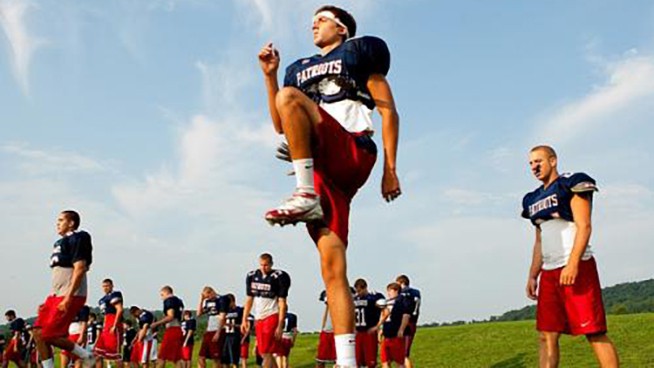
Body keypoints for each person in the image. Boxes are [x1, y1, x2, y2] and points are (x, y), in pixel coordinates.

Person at [258, 5, 401, 366]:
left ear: (342, 28)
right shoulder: (298, 70)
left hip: (353, 148)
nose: (313, 26)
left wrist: (391, 169)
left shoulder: (356, 54)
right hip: (324, 170)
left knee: (291, 97)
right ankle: (347, 361)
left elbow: (389, 111)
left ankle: (304, 193)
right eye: (312, 22)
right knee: (333, 270)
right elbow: (280, 123)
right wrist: (270, 76)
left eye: (320, 20)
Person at [522, 145, 619, 367]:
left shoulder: (570, 184)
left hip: (577, 266)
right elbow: (539, 241)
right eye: (530, 163)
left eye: (538, 161)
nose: (534, 166)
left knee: (593, 332)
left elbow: (584, 226)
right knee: (546, 335)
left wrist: (573, 264)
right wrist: (532, 275)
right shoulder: (532, 199)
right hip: (549, 272)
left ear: (553, 161)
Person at [31, 210, 94, 368]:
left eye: (61, 220)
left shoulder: (78, 237)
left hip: (70, 293)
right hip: (55, 294)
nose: (57, 223)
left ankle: (87, 356)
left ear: (71, 223)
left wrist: (68, 297)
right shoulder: (60, 242)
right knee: (38, 332)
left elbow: (79, 268)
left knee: (49, 335)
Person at [241, 253, 291, 368]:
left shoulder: (278, 277)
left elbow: (282, 302)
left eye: (266, 265)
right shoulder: (252, 276)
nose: (263, 268)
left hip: (271, 315)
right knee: (263, 352)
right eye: (261, 265)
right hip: (259, 317)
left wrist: (280, 323)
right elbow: (249, 299)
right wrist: (244, 319)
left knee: (268, 351)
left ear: (271, 264)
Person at [149, 286, 184, 368]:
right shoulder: (179, 301)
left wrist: (157, 323)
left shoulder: (169, 300)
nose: (162, 298)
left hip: (172, 329)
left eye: (162, 295)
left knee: (162, 357)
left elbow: (170, 316)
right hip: (178, 328)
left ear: (166, 292)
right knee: (177, 358)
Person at [353, 279, 384, 368]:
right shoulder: (354, 299)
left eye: (359, 290)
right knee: (357, 360)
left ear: (365, 288)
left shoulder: (374, 298)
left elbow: (385, 311)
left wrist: (377, 326)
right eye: (356, 291)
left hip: (369, 332)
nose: (358, 293)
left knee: (371, 362)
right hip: (358, 332)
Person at [377, 283, 410, 368]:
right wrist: (381, 330)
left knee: (399, 362)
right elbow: (384, 316)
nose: (388, 293)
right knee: (385, 361)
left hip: (396, 335)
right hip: (387, 334)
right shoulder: (386, 302)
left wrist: (401, 329)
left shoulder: (402, 300)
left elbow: (406, 315)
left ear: (396, 291)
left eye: (389, 291)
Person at [94, 278, 124, 367]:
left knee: (114, 354)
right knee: (98, 353)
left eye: (107, 286)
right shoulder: (102, 299)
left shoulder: (114, 294)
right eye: (103, 286)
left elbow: (119, 309)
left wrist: (115, 325)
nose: (105, 288)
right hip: (106, 324)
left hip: (113, 323)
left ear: (112, 285)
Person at [196, 286, 228, 368]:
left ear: (212, 292)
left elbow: (222, 317)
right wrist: (202, 300)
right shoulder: (207, 302)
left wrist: (218, 332)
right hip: (209, 330)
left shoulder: (221, 299)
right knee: (201, 356)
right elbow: (199, 314)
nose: (207, 298)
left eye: (208, 296)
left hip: (217, 329)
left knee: (216, 358)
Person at [395, 275, 420, 368]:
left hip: (406, 323)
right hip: (413, 322)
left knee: (404, 355)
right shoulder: (416, 292)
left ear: (401, 283)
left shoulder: (404, 293)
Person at [221, 294, 244, 368]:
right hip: (225, 336)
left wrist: (233, 325)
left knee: (234, 359)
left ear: (233, 301)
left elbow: (243, 325)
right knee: (225, 359)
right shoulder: (225, 311)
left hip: (235, 336)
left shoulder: (239, 310)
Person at [315, 291, 335, 368]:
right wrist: (323, 328)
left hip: (337, 332)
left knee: (339, 360)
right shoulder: (328, 294)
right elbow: (326, 310)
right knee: (320, 359)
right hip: (327, 330)